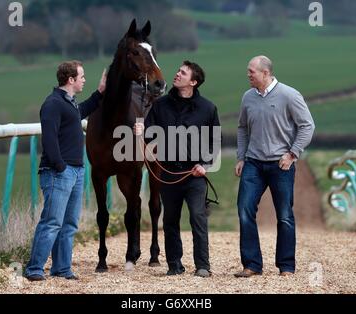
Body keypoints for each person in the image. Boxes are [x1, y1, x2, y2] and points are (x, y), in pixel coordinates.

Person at [134, 61, 221, 278]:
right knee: (170, 220)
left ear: (193, 81)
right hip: (169, 173)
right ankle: (174, 264)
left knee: (197, 217)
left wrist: (205, 165)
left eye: (183, 73)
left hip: (195, 174)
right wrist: (140, 132)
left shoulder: (208, 108)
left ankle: (203, 265)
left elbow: (214, 141)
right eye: (178, 71)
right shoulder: (160, 105)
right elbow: (150, 135)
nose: (177, 74)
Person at [24, 61, 106, 281]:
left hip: (76, 172)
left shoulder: (69, 103)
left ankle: (61, 268)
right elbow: (49, 140)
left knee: (69, 224)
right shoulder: (52, 104)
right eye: (82, 76)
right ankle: (34, 269)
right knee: (52, 222)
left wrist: (99, 93)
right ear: (71, 79)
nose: (84, 80)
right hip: (58, 172)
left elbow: (82, 111)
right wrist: (60, 167)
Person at [234, 56, 315, 278]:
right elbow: (242, 128)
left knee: (285, 215)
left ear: (266, 73)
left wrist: (292, 153)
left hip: (281, 165)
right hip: (253, 163)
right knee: (244, 210)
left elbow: (307, 126)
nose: (248, 75)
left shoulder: (289, 95)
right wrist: (241, 157)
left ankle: (286, 266)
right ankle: (251, 265)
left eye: (252, 71)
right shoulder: (248, 97)